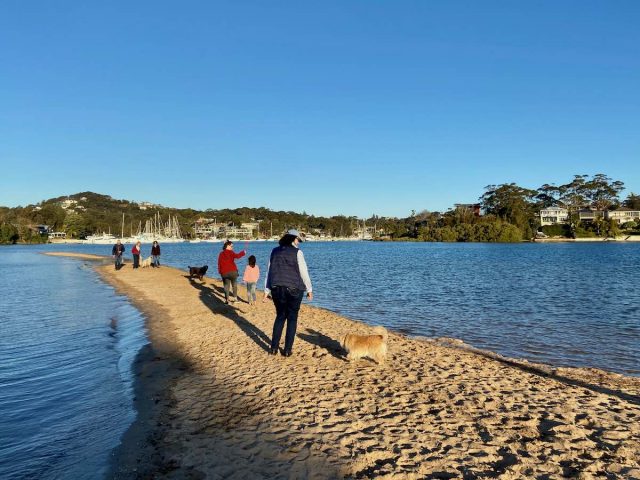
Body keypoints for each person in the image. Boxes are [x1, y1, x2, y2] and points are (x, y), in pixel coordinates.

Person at [263, 229, 313, 357]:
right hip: (294, 289)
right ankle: (287, 350)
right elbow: (303, 272)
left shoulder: (274, 251)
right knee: (292, 318)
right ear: (292, 239)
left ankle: (273, 348)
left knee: (280, 316)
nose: (298, 242)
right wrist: (309, 289)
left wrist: (267, 290)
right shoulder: (298, 252)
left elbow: (270, 271)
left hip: (276, 288)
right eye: (297, 240)